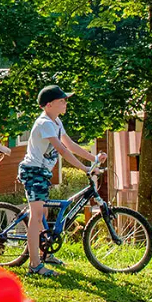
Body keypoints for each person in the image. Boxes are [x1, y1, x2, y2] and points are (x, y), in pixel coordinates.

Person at [18, 85, 107, 276]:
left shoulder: (56, 121)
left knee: (44, 212)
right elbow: (62, 151)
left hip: (42, 173)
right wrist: (84, 168)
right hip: (33, 172)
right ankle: (34, 265)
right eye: (62, 100)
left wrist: (94, 159)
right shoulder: (45, 123)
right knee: (35, 217)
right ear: (49, 105)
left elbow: (71, 145)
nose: (65, 103)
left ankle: (45, 253)